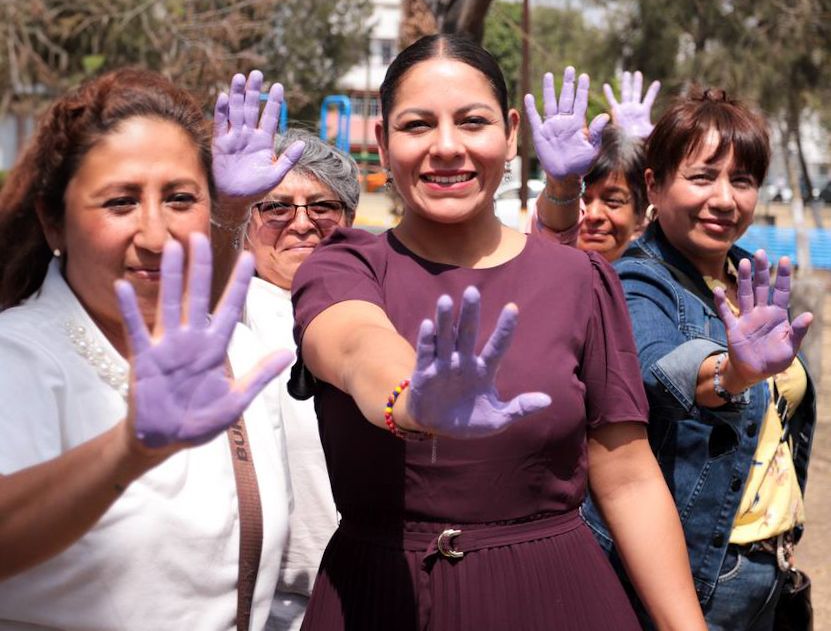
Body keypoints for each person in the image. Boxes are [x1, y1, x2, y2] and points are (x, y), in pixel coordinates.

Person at [265, 34, 706, 630]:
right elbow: (351, 344)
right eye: (418, 125)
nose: (447, 147)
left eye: (472, 122)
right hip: (380, 598)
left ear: (511, 132)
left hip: (558, 599)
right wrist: (413, 400)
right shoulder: (343, 264)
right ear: (382, 143)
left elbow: (627, 478)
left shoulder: (580, 278)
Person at [0, 68, 301, 631]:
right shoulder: (18, 356)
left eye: (180, 198)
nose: (156, 235)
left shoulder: (233, 348)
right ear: (53, 221)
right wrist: (128, 451)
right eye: (120, 202)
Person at [580, 89, 816, 630]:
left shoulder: (748, 279)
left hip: (771, 573)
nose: (725, 199)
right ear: (654, 185)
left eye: (742, 180)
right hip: (697, 575)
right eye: (703, 176)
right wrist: (732, 373)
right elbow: (659, 370)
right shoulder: (635, 280)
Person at [240, 129, 359, 630]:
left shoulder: (377, 300)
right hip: (270, 607)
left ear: (349, 221)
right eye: (277, 208)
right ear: (246, 224)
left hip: (369, 591)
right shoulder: (225, 307)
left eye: (322, 207)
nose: (302, 224)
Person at [525, 67, 650, 262]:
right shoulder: (547, 268)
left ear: (641, 216)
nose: (592, 215)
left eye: (613, 201)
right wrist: (564, 185)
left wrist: (641, 145)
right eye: (582, 198)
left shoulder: (655, 284)